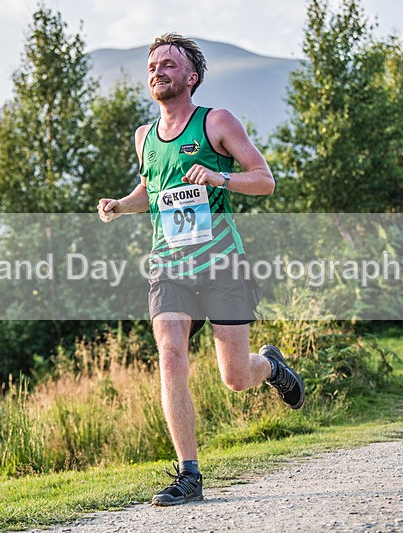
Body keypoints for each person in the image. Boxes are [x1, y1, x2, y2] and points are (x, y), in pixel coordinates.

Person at [97, 33, 305, 507]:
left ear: (191, 77)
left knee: (234, 377)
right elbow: (152, 188)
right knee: (170, 356)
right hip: (169, 267)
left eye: (169, 64)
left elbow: (264, 180)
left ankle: (271, 367)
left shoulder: (216, 122)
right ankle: (189, 474)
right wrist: (121, 205)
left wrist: (219, 176)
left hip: (221, 265)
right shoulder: (144, 136)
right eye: (152, 65)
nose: (158, 71)